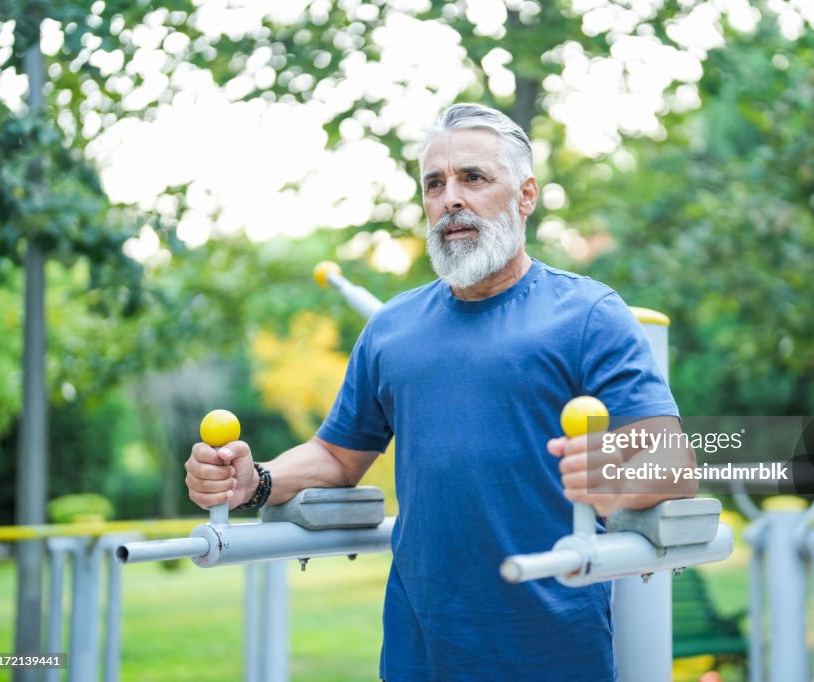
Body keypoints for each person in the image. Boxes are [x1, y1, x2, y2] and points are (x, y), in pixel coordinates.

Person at [185, 103, 694, 681]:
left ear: (526, 196)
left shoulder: (590, 315)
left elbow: (672, 463)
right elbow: (336, 455)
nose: (450, 198)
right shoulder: (391, 329)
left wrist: (610, 474)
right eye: (435, 183)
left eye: (473, 178)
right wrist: (257, 480)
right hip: (416, 653)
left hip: (553, 652)